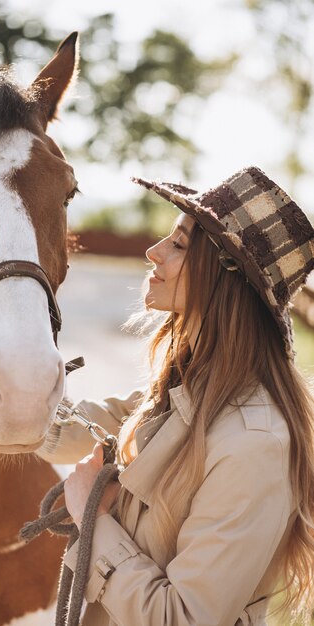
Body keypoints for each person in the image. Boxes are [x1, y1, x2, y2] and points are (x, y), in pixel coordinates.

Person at [37, 165, 314, 626]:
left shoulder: (256, 445)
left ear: (225, 277)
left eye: (180, 244)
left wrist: (93, 520)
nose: (153, 251)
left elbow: (183, 618)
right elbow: (94, 421)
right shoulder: (188, 387)